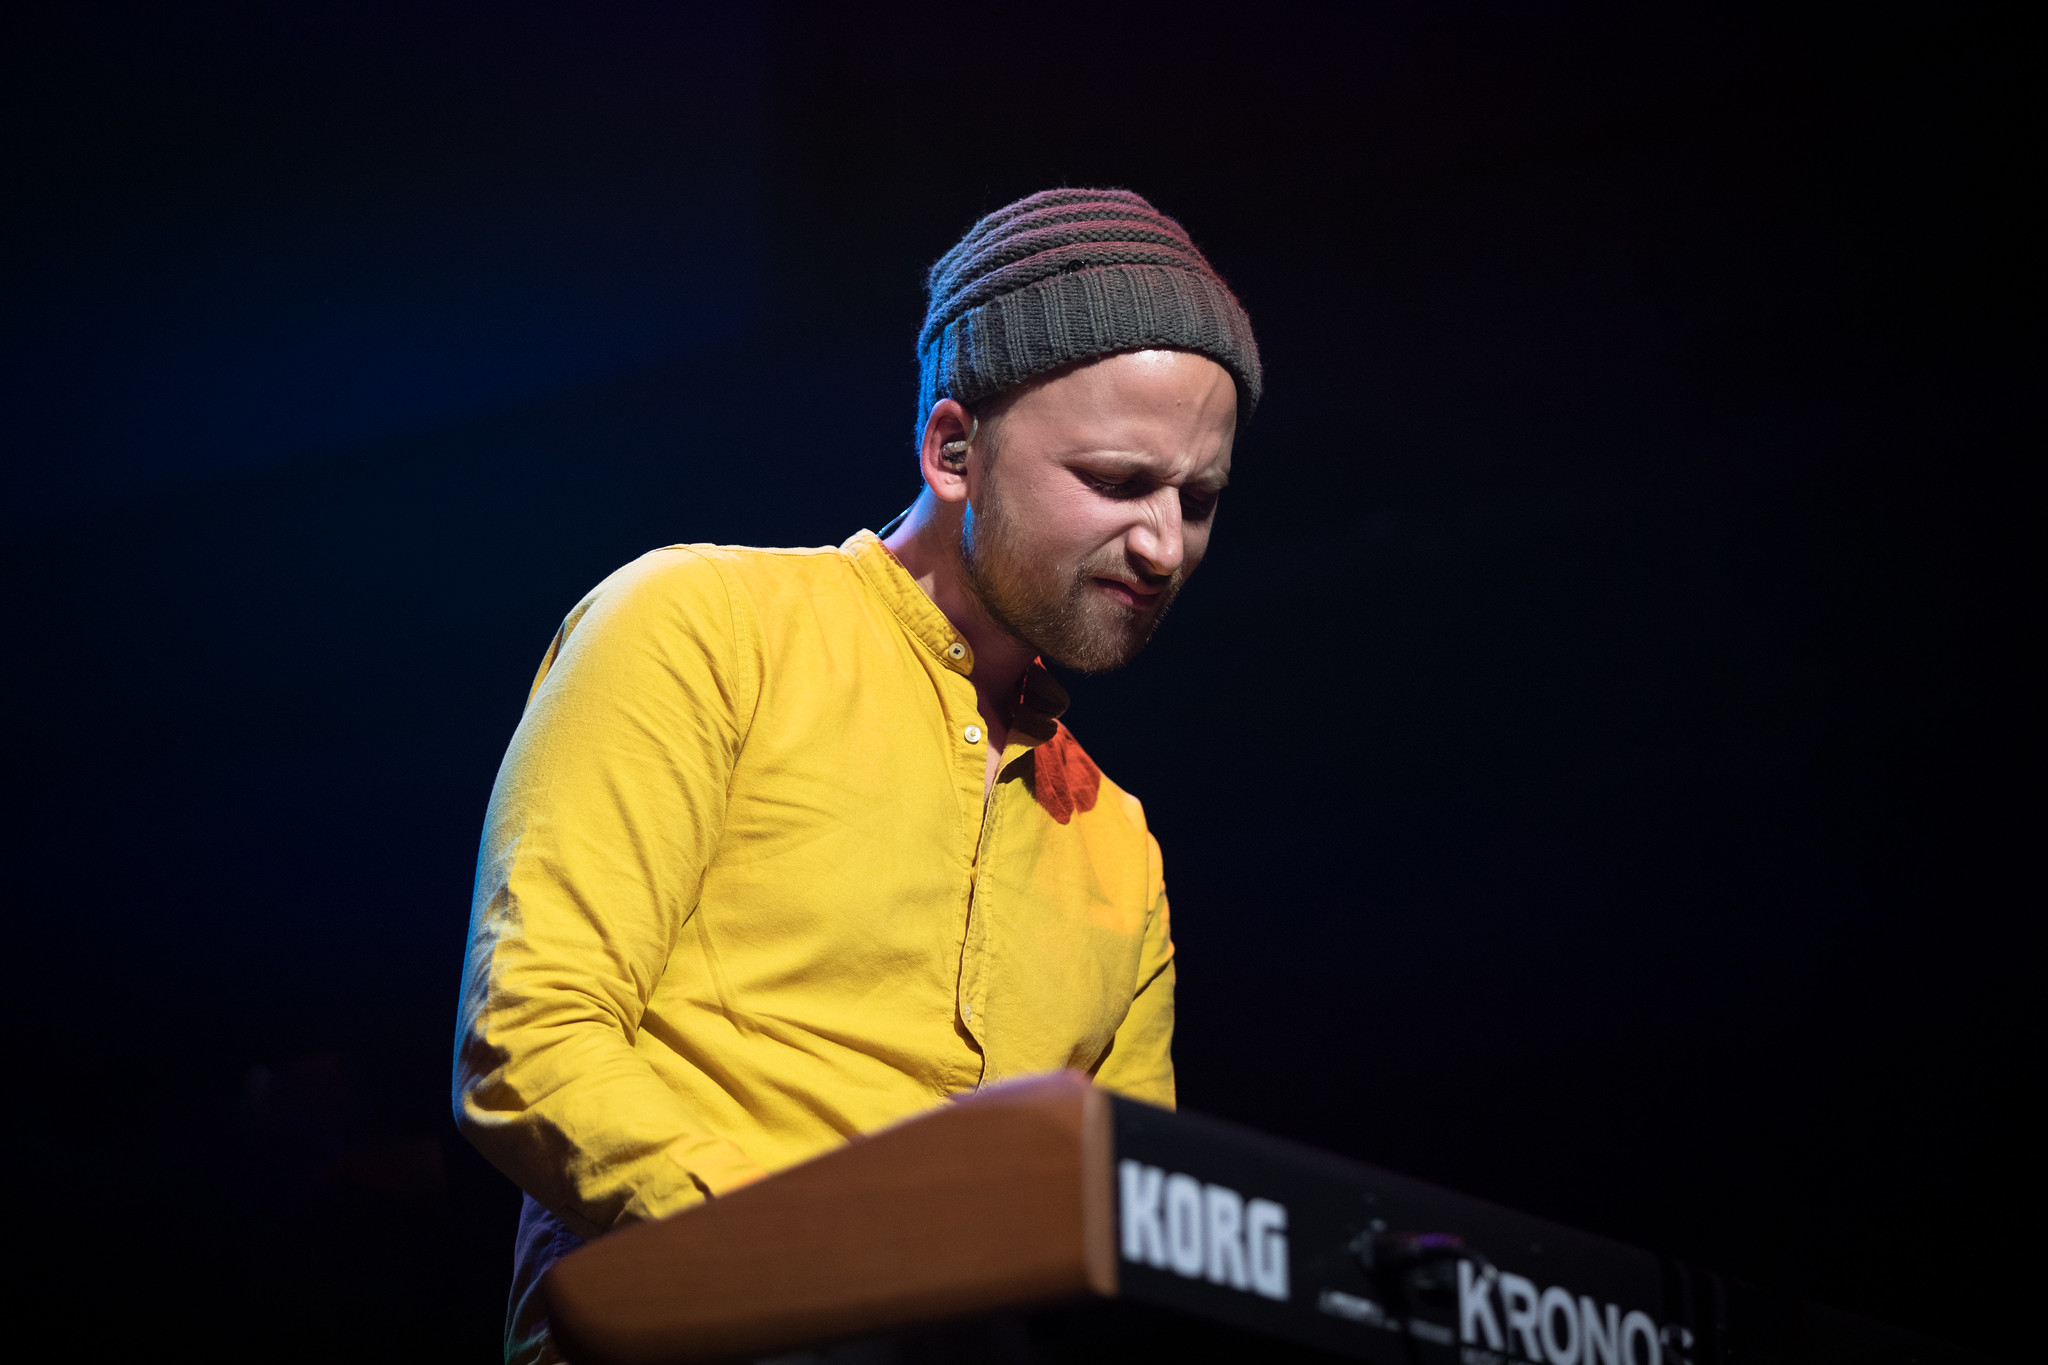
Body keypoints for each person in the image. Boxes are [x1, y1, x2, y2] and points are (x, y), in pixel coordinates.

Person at [452, 187, 1262, 1364]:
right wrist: (829, 1261)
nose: (1162, 545)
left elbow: (1130, 1224)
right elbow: (529, 1044)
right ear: (952, 451)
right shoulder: (700, 627)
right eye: (1114, 481)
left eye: (1197, 501)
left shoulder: (1117, 842)